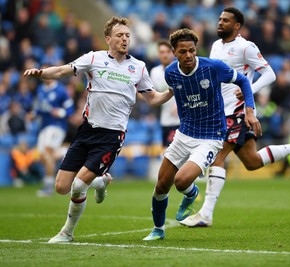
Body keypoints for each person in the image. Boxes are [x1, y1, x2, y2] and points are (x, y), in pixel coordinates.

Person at [23, 17, 173, 243]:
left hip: (111, 136)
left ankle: (67, 233)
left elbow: (152, 98)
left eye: (127, 35)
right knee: (61, 187)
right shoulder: (94, 58)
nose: (125, 39)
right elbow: (64, 70)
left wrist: (171, 91)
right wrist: (41, 73)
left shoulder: (138, 67)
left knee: (77, 186)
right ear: (108, 39)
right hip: (86, 131)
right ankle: (101, 181)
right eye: (120, 35)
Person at [180, 7, 290, 228]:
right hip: (220, 111)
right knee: (252, 162)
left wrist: (251, 90)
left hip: (238, 111)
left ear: (237, 26)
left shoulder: (246, 47)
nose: (220, 22)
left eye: (226, 20)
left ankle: (206, 214)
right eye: (219, 19)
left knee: (217, 157)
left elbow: (270, 73)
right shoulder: (216, 46)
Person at [143, 28, 261, 241]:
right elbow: (170, 94)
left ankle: (192, 193)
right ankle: (158, 229)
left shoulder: (213, 67)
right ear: (174, 52)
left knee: (181, 181)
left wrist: (250, 111)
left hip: (211, 136)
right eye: (182, 52)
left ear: (196, 50)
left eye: (191, 50)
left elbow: (243, 81)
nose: (188, 55)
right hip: (184, 134)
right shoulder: (170, 73)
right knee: (161, 185)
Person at [29, 73, 74, 197]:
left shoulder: (60, 90)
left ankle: (48, 186)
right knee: (43, 157)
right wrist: (33, 114)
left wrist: (60, 112)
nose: (45, 76)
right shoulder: (40, 90)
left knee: (47, 153)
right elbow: (39, 107)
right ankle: (64, 153)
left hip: (56, 126)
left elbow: (70, 109)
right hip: (43, 127)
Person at [150, 40, 180, 148]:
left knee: (178, 153)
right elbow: (153, 94)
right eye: (162, 52)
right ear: (158, 54)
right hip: (165, 120)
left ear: (173, 53)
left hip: (181, 120)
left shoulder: (180, 69)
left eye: (168, 51)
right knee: (167, 152)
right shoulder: (154, 72)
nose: (165, 55)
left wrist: (178, 104)